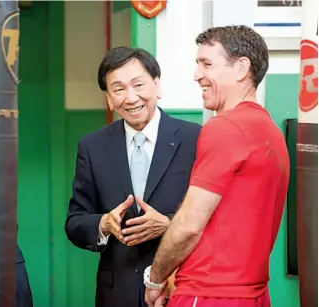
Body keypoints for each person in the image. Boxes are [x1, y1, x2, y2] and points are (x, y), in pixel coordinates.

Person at [144, 25, 290, 307]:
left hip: (209, 295)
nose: (197, 75)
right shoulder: (270, 131)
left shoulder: (224, 127)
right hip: (253, 294)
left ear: (241, 68)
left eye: (207, 64)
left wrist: (156, 279)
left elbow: (188, 225)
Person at [65, 46, 201, 307]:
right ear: (108, 98)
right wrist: (104, 224)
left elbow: (215, 219)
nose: (130, 98)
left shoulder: (195, 139)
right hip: (117, 294)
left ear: (157, 85)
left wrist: (169, 224)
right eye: (118, 89)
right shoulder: (92, 147)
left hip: (177, 289)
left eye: (138, 85)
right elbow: (75, 222)